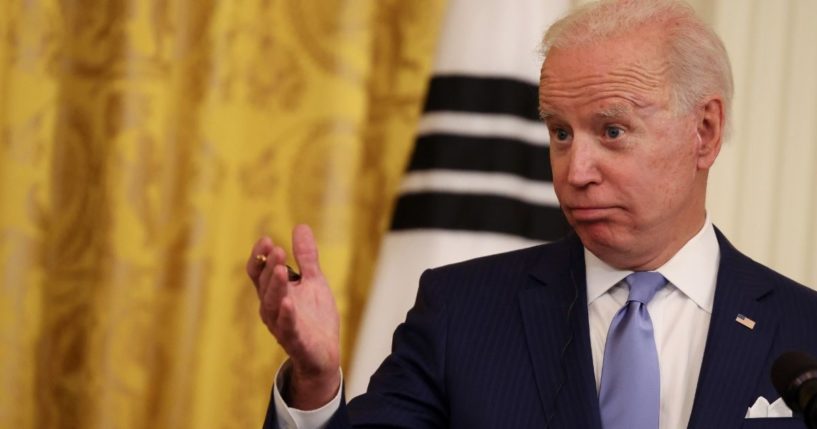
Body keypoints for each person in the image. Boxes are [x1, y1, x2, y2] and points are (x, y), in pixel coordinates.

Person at [247, 0, 817, 428]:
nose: (575, 171)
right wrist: (316, 384)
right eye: (560, 133)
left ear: (705, 131)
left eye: (612, 131)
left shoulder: (803, 332)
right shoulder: (461, 313)